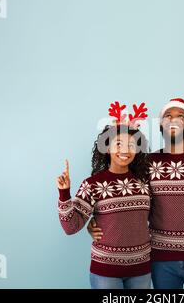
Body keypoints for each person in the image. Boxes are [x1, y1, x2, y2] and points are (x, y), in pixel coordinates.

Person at [88, 98, 184, 289]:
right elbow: (122, 196)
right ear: (160, 126)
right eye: (168, 116)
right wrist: (96, 222)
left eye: (180, 116)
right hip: (160, 260)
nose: (173, 120)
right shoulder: (146, 164)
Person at [57, 102, 152, 289]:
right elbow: (71, 227)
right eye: (118, 144)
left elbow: (158, 217)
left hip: (141, 269)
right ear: (107, 147)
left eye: (131, 145)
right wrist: (64, 193)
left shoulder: (145, 183)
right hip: (106, 271)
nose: (125, 150)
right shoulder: (93, 184)